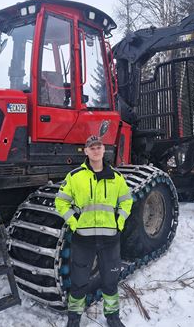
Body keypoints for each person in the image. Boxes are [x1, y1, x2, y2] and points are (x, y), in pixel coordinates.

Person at [55, 135, 133, 327]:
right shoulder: (75, 177)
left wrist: (119, 221)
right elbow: (61, 202)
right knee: (79, 281)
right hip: (83, 239)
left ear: (103, 150)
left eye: (99, 147)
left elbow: (126, 201)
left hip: (110, 239)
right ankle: (74, 318)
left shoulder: (116, 177)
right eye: (92, 147)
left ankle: (113, 316)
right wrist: (74, 223)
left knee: (110, 280)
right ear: (86, 151)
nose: (96, 150)